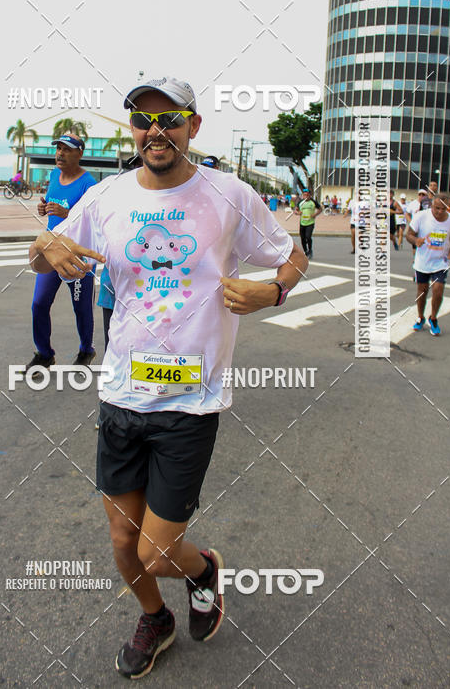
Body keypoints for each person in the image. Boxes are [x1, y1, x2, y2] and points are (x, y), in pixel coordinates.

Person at [29, 77, 308, 679]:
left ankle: (203, 570)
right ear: (132, 129)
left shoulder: (231, 195)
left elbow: (293, 253)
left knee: (157, 552)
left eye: (171, 118)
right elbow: (47, 246)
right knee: (124, 543)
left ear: (193, 127)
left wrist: (274, 290)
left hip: (189, 402)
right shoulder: (107, 197)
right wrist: (43, 245)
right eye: (142, 119)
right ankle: (156, 619)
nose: (156, 130)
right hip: (121, 394)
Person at [26, 135, 97, 370]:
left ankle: (86, 350)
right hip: (50, 252)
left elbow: (94, 220)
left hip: (77, 257)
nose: (60, 154)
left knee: (81, 307)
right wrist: (44, 207)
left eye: (66, 150)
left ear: (80, 154)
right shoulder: (54, 175)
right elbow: (53, 205)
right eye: (58, 148)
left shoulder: (89, 184)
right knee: (39, 304)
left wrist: (68, 214)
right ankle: (44, 354)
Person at [406, 193, 450, 336]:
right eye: (437, 208)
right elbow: (408, 234)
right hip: (422, 262)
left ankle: (433, 318)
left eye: (444, 209)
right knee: (422, 291)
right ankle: (421, 317)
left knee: (438, 289)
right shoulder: (421, 216)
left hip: (440, 262)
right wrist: (415, 241)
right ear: (432, 206)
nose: (440, 212)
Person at [297, 189, 322, 258]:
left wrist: (315, 214)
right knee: (302, 238)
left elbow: (320, 209)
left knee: (308, 237)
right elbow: (296, 210)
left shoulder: (313, 202)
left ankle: (310, 250)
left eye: (307, 195)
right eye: (304, 195)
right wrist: (298, 212)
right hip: (302, 222)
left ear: (310, 195)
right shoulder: (301, 202)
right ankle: (305, 251)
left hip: (310, 222)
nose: (306, 196)